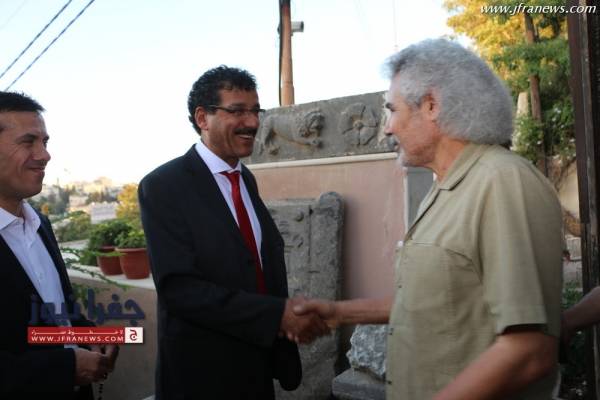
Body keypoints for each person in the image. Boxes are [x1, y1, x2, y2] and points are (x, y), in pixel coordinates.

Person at [294, 39, 563, 400]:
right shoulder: (446, 186)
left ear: (432, 106)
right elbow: (434, 301)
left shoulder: (501, 182)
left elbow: (529, 351)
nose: (388, 128)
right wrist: (337, 312)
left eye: (392, 110)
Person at [138, 65, 328, 399]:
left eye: (256, 111)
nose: (252, 123)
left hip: (257, 366)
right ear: (202, 117)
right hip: (203, 376)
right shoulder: (163, 186)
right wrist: (276, 316)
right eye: (237, 111)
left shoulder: (245, 179)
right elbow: (179, 290)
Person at [0, 91, 118, 397]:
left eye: (45, 142)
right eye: (28, 142)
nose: (44, 155)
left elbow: (57, 315)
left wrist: (90, 335)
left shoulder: (41, 224)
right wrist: (65, 368)